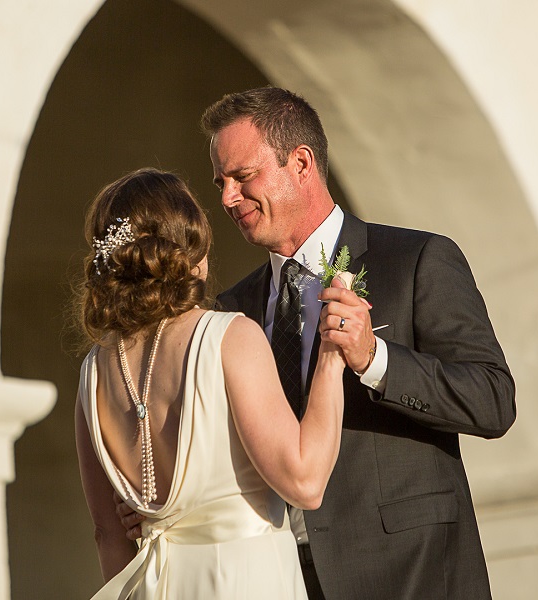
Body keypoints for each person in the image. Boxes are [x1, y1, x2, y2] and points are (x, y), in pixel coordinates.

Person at [118, 87, 516, 599]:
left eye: (243, 177)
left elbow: (493, 400)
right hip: (278, 578)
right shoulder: (226, 311)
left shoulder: (416, 260)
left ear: (301, 163)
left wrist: (376, 360)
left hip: (409, 574)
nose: (226, 199)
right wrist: (160, 497)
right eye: (221, 183)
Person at [73, 167, 348, 599]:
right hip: (244, 582)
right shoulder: (228, 337)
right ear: (190, 249)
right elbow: (306, 481)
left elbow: (108, 536)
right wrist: (332, 354)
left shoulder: (95, 372)